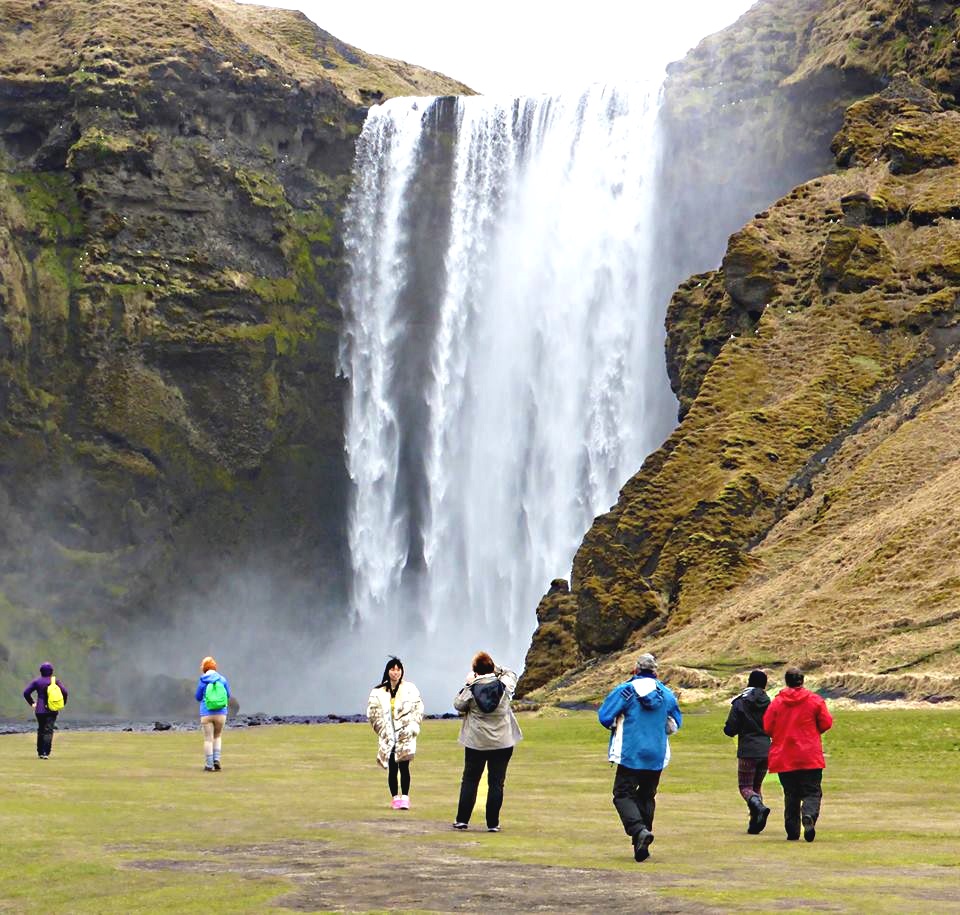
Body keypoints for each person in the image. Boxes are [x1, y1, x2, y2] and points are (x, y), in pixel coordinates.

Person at [598, 652, 681, 862]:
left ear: (636, 669)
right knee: (647, 795)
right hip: (657, 753)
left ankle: (638, 831)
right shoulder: (667, 694)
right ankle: (641, 844)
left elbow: (605, 716)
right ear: (655, 671)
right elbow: (675, 724)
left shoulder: (625, 691)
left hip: (631, 750)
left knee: (622, 793)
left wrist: (617, 722)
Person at [451, 651, 522, 832]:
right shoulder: (504, 686)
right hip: (502, 742)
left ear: (475, 671)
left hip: (476, 742)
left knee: (470, 780)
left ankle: (462, 820)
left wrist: (468, 683)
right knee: (497, 783)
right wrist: (495, 668)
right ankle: (493, 823)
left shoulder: (472, 690)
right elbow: (511, 674)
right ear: (491, 668)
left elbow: (458, 705)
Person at [763, 666, 833, 842]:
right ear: (802, 681)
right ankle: (809, 814)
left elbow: (767, 727)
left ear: (786, 681)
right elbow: (826, 723)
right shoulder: (815, 701)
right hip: (810, 755)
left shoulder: (777, 703)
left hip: (785, 755)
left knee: (791, 793)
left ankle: (792, 830)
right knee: (812, 792)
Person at [366, 657, 424, 810]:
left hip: (404, 733)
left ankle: (405, 797)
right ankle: (395, 798)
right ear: (388, 671)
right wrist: (382, 729)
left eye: (398, 669)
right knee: (392, 767)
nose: (396, 672)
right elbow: (373, 713)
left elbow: (418, 709)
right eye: (393, 669)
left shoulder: (410, 689)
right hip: (389, 735)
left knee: (404, 766)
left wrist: (413, 726)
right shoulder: (378, 692)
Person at [723, 669, 772, 834]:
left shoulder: (740, 702)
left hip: (747, 750)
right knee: (757, 786)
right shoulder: (769, 702)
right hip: (766, 749)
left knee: (745, 787)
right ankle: (755, 824)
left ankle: (758, 806)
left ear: (749, 682)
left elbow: (730, 729)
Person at [23, 662, 68, 759]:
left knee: (41, 730)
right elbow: (65, 692)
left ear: (41, 671)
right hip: (52, 709)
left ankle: (40, 752)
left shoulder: (37, 682)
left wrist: (32, 703)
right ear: (51, 671)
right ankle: (46, 753)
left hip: (39, 710)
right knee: (48, 730)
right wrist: (62, 703)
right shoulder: (55, 681)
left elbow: (26, 693)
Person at [195, 656, 230, 772]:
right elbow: (228, 695)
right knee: (217, 736)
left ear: (204, 668)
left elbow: (198, 697)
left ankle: (209, 765)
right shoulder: (223, 679)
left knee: (208, 739)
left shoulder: (203, 680)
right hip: (221, 713)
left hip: (206, 713)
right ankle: (217, 760)